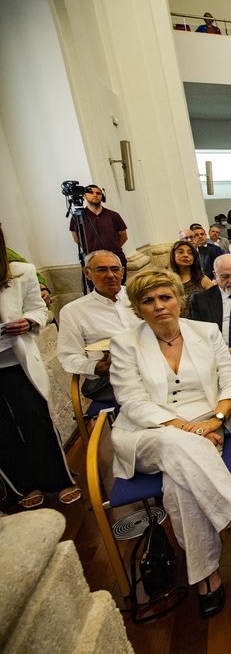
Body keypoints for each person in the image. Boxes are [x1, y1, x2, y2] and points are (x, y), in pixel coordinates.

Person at [109, 269, 231, 617]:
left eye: (165, 297)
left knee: (179, 486)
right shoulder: (125, 343)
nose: (159, 306)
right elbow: (131, 401)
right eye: (148, 301)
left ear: (178, 299)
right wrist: (185, 428)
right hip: (148, 432)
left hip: (205, 426)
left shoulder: (206, 332)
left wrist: (214, 421)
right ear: (139, 308)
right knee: (173, 444)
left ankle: (206, 577)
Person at [0, 228, 80, 509]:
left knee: (35, 419)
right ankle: (23, 485)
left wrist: (29, 321)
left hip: (14, 359)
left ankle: (57, 481)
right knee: (2, 430)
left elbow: (39, 309)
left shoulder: (21, 272)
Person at [57, 250, 141, 402]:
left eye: (115, 269)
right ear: (87, 273)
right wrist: (95, 368)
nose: (110, 275)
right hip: (111, 377)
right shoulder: (73, 311)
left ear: (122, 272)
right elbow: (69, 356)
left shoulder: (141, 297)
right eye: (102, 270)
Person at [69, 184, 129, 281]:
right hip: (92, 262)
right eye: (91, 192)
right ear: (84, 196)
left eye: (98, 193)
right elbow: (77, 238)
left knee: (119, 288)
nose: (95, 195)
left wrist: (110, 250)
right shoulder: (78, 217)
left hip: (115, 257)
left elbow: (123, 236)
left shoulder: (113, 215)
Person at [168, 240, 213, 315]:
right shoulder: (167, 280)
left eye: (190, 253)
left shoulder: (202, 279)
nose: (186, 255)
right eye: (181, 252)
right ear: (173, 255)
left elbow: (215, 302)